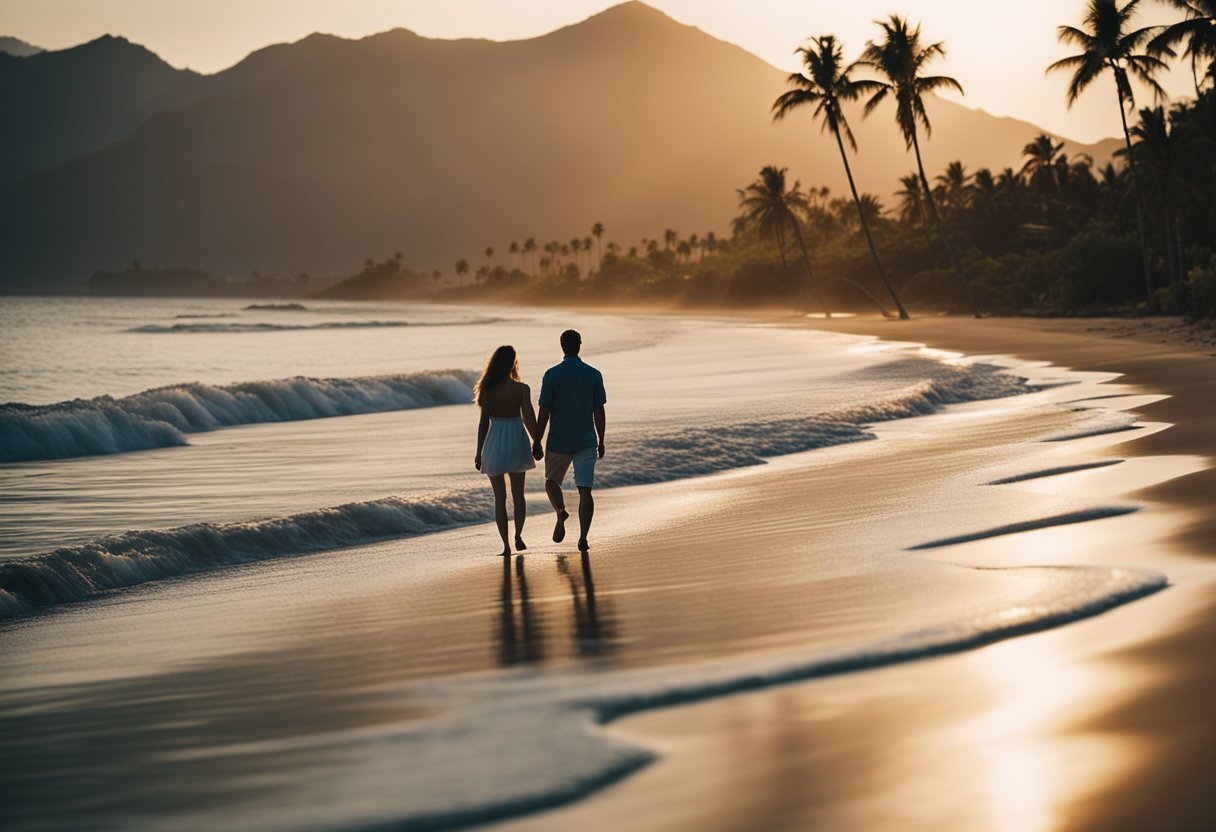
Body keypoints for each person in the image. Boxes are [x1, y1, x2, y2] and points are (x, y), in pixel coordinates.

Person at [535, 329, 606, 552]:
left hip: (559, 440)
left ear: (562, 346)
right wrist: (601, 439)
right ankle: (583, 538)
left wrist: (536, 440)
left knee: (551, 481)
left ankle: (560, 511)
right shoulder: (593, 374)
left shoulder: (552, 375)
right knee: (585, 490)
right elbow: (598, 411)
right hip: (586, 439)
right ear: (580, 345)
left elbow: (544, 412)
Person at [474, 345, 544, 556]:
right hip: (516, 440)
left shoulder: (487, 390)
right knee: (518, 495)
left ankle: (505, 546)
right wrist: (537, 441)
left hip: (494, 444)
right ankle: (518, 536)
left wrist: (478, 452)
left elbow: (483, 423)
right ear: (513, 363)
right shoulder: (522, 389)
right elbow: (529, 418)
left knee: (500, 498)